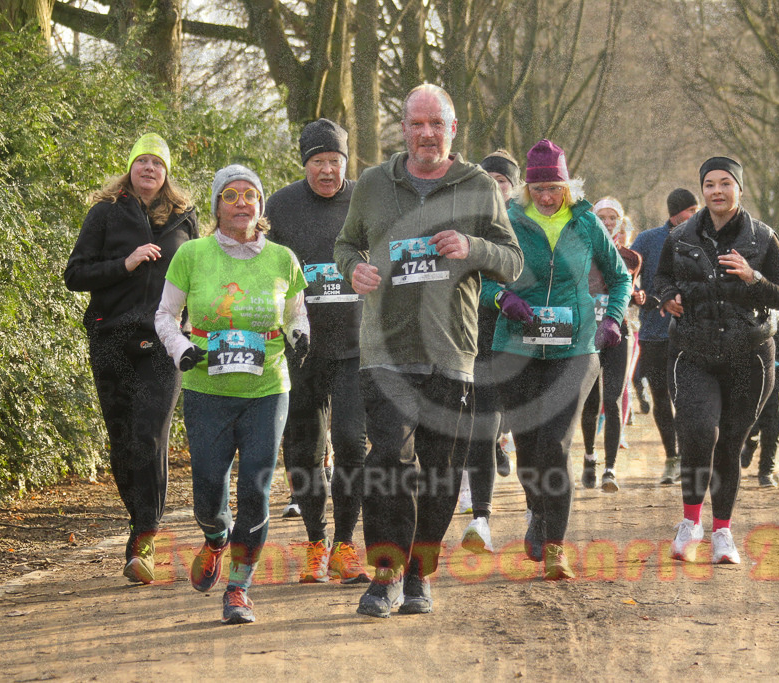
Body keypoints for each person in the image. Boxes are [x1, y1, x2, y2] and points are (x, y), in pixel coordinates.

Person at [334, 84, 523, 618]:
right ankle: (387, 573)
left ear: (453, 129)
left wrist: (473, 248)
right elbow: (346, 244)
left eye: (436, 125)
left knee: (441, 469)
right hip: (385, 349)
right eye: (416, 124)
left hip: (451, 350)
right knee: (389, 459)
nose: (425, 135)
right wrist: (355, 269)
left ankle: (420, 570)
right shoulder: (373, 184)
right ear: (403, 127)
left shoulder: (479, 186)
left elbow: (511, 261)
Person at [155, 164, 309, 625]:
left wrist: (300, 335)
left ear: (261, 207)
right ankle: (216, 537)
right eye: (231, 195)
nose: (242, 203)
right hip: (207, 388)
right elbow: (165, 314)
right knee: (207, 486)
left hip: (267, 387)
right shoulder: (193, 255)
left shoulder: (283, 258)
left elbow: (297, 314)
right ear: (217, 206)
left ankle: (239, 587)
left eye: (250, 195)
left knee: (257, 488)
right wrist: (181, 348)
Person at [484, 139, 632, 579]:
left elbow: (620, 277)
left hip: (576, 347)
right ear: (527, 189)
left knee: (556, 443)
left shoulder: (586, 222)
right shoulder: (508, 220)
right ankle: (536, 509)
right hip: (518, 347)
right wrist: (501, 298)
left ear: (568, 185)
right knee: (529, 448)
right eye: (539, 189)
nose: (547, 197)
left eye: (554, 187)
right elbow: (481, 280)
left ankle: (555, 546)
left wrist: (614, 320)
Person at [64, 133, 198, 585]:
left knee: (150, 435)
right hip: (110, 339)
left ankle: (145, 537)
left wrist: (194, 325)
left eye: (157, 162)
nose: (149, 168)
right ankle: (139, 521)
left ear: (167, 173)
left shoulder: (184, 218)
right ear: (129, 168)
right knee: (122, 441)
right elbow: (75, 274)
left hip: (163, 341)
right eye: (141, 160)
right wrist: (126, 263)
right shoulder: (105, 213)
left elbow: (200, 272)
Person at [654, 156, 779, 565]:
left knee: (730, 442)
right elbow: (659, 279)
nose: (717, 190)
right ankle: (690, 521)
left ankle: (723, 533)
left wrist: (753, 277)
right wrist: (667, 297)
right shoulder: (679, 237)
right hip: (692, 351)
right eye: (709, 184)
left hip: (749, 355)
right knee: (698, 431)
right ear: (702, 191)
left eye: (725, 183)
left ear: (739, 189)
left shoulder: (763, 237)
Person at [266, 118, 370, 584]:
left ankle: (346, 542)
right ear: (304, 164)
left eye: (335, 161)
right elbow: (262, 266)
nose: (327, 171)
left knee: (351, 441)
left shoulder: (366, 199)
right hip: (300, 349)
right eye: (318, 162)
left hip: (355, 345)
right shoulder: (282, 205)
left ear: (347, 162)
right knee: (303, 450)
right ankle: (314, 540)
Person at [459, 149, 522, 554]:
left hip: (519, 337)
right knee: (479, 424)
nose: (496, 188)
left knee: (519, 428)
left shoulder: (528, 225)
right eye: (490, 181)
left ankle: (539, 513)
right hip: (474, 333)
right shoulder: (465, 220)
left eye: (503, 182)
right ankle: (480, 518)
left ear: (514, 188)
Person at [631, 188, 699, 486]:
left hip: (693, 332)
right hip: (654, 333)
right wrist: (645, 298)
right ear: (676, 213)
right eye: (691, 211)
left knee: (689, 397)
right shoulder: (647, 240)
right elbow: (627, 279)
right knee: (661, 397)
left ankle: (691, 456)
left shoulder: (703, 238)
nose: (696, 217)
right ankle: (672, 458)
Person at [579, 196, 645, 493]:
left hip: (620, 331)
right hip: (588, 333)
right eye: (601, 217)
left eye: (612, 218)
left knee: (613, 398)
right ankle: (590, 457)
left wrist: (637, 296)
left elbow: (629, 289)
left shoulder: (631, 258)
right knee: (591, 401)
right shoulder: (580, 251)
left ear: (620, 221)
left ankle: (610, 469)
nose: (607, 223)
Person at [740, 312, 779, 487]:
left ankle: (766, 472)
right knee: (750, 421)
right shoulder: (747, 324)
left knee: (773, 426)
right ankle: (750, 442)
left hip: (777, 382)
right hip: (751, 381)